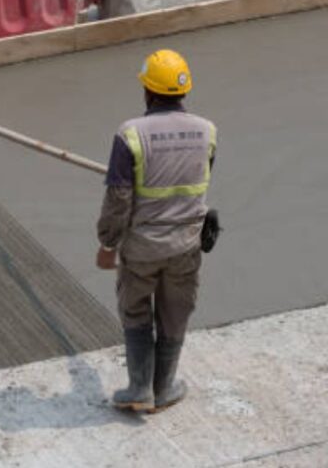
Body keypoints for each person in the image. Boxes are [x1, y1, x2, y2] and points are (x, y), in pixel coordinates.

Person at [96, 49, 217, 413]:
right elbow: (196, 181)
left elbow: (119, 199)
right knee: (175, 310)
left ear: (148, 91)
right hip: (187, 245)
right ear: (184, 92)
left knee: (136, 311)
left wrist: (107, 243)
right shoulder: (208, 131)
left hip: (143, 247)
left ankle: (139, 389)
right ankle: (163, 389)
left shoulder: (130, 134)